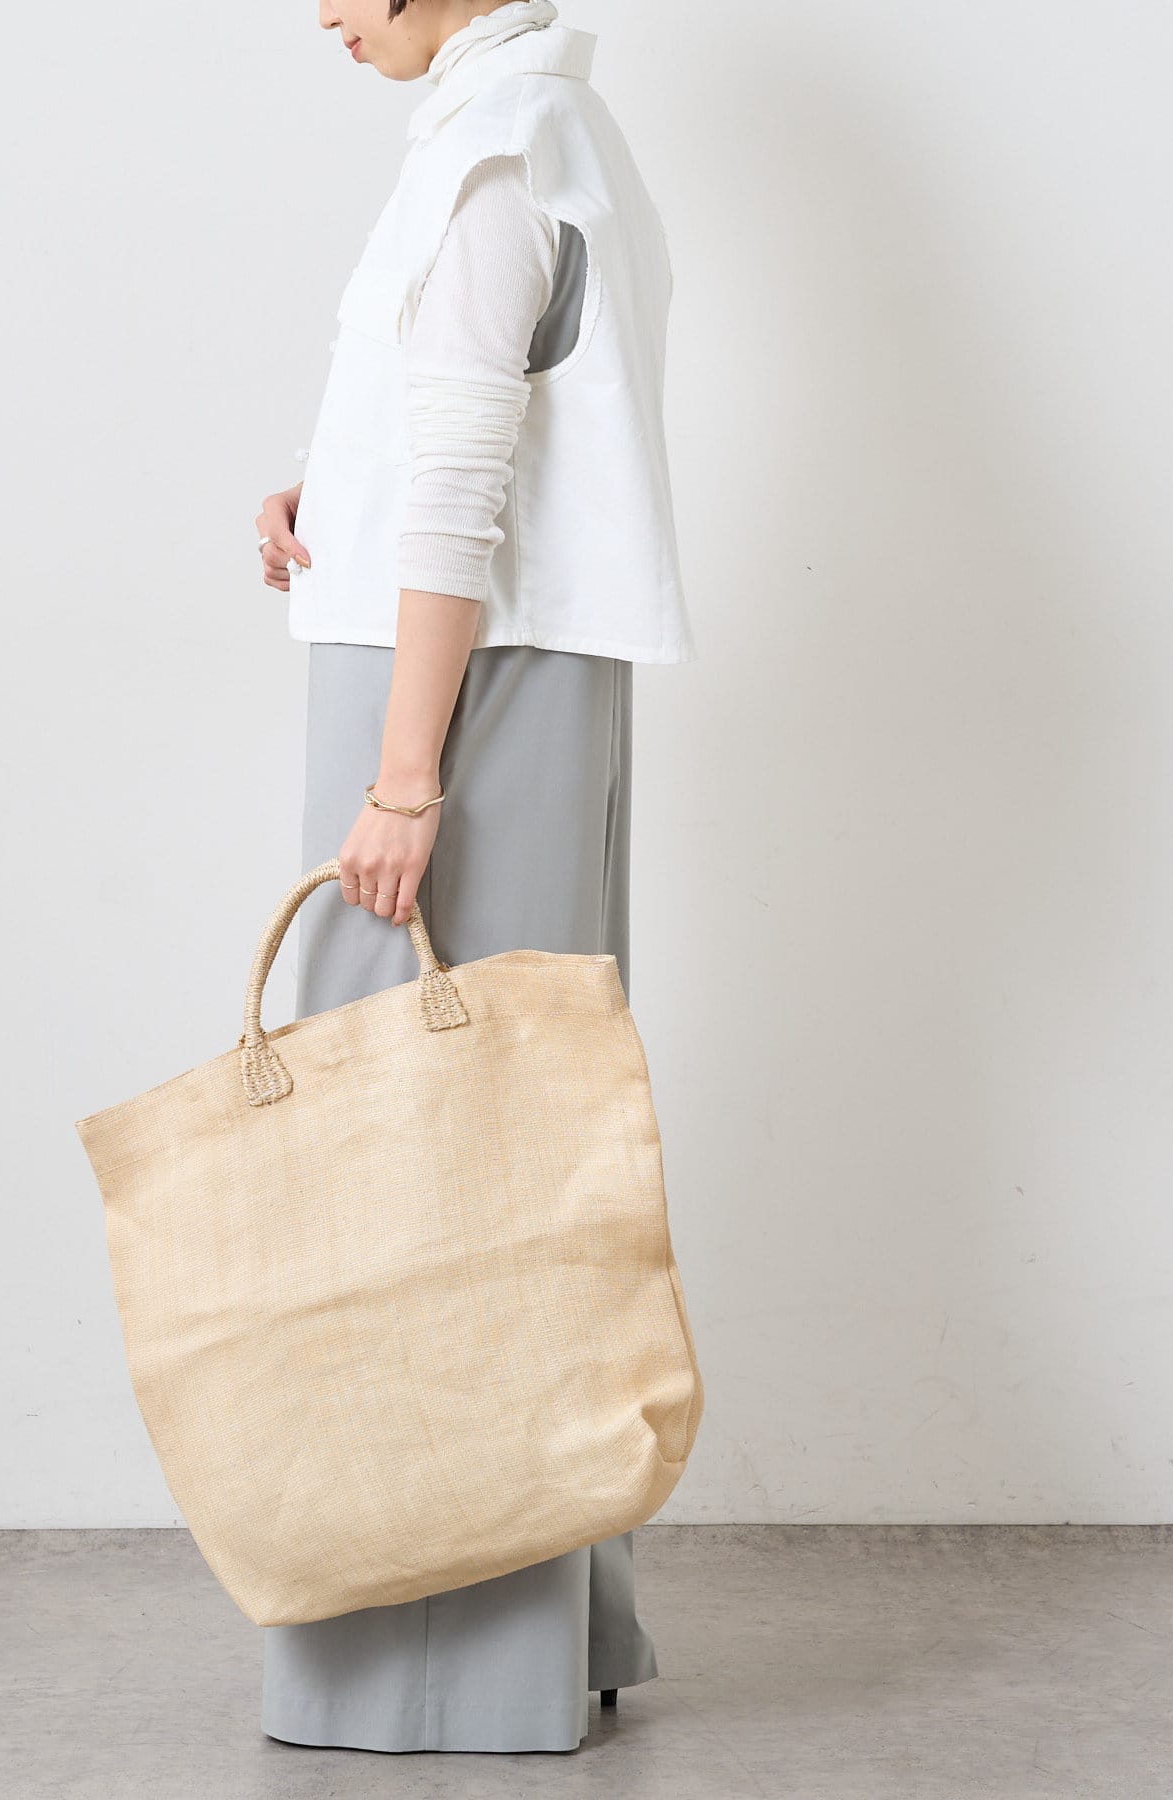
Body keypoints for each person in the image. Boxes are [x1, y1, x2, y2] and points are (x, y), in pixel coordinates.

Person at [250, 0, 697, 1755]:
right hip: (509, 675)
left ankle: (429, 1673)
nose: (322, 11)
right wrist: (334, 495)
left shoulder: (497, 156)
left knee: (415, 1170)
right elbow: (467, 430)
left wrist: (403, 776)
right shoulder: (549, 134)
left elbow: (464, 476)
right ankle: (556, 1633)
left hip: (451, 698)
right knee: (517, 1147)